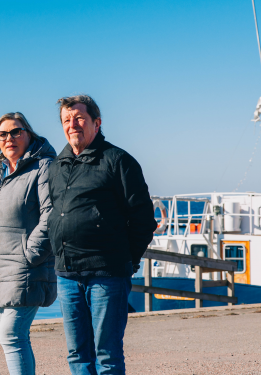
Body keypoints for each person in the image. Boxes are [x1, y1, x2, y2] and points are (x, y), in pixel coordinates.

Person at [47, 95, 156, 374]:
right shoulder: (56, 166)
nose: (73, 125)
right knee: (77, 355)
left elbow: (143, 219)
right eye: (66, 120)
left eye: (80, 118)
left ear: (97, 122)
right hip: (67, 275)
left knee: (106, 355)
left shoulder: (118, 161)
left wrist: (123, 260)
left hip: (107, 274)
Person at [0, 112, 57, 375]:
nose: (9, 138)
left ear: (29, 134)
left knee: (11, 336)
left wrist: (30, 253)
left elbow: (52, 214)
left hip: (25, 268)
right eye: (2, 134)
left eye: (16, 132)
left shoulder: (43, 168)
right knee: (14, 339)